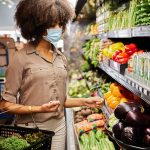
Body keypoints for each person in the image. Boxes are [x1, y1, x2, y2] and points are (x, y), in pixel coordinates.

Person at [0, 0, 104, 149]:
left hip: (60, 127)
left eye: (61, 24)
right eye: (54, 24)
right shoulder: (20, 58)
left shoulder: (61, 58)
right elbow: (5, 105)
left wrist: (85, 101)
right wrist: (38, 109)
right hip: (32, 128)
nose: (59, 29)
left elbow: (61, 101)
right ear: (39, 26)